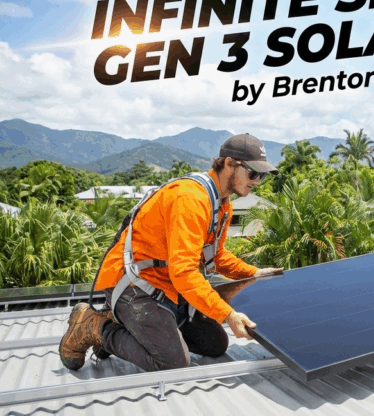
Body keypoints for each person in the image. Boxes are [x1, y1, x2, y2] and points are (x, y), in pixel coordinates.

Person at [59, 133, 284, 371]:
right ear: (229, 163)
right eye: (253, 173)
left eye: (262, 176)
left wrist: (253, 273)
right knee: (172, 362)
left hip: (168, 287)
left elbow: (215, 255)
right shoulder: (191, 199)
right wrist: (227, 314)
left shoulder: (221, 203)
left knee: (214, 344)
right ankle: (94, 326)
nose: (257, 181)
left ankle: (130, 326)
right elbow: (184, 272)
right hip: (134, 284)